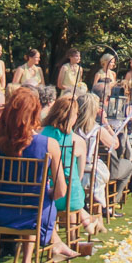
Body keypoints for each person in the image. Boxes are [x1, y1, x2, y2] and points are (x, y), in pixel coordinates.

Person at [0, 87, 86, 263]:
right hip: (35, 212)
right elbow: (61, 190)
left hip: (4, 211)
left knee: (33, 203)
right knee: (40, 203)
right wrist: (46, 191)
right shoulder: (49, 144)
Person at [39, 96, 93, 240]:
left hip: (43, 192)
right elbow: (79, 176)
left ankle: (87, 222)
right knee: (74, 188)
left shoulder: (40, 134)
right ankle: (74, 237)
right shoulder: (78, 141)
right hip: (69, 195)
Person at [75, 92, 120, 223]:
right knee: (99, 177)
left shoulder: (72, 128)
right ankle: (98, 217)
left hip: (75, 171)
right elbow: (115, 144)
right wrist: (106, 123)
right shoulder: (97, 129)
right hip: (92, 170)